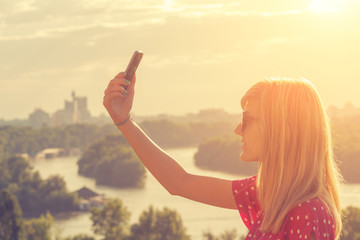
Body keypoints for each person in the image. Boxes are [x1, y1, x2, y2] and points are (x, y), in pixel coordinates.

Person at [103, 72, 343, 240]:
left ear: (281, 129)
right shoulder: (271, 194)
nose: (238, 129)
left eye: (248, 119)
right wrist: (123, 120)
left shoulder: (307, 212)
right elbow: (179, 182)